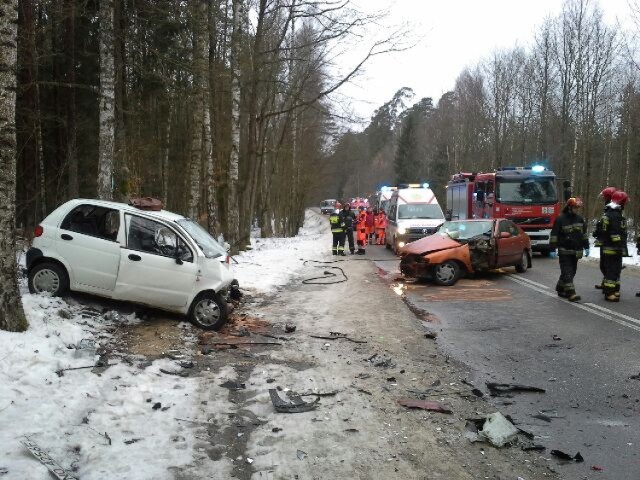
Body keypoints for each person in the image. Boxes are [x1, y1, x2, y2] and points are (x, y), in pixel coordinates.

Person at [549, 197, 589, 302]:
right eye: (575, 208)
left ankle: (560, 287)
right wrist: (552, 249)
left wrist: (587, 246)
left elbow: (584, 235)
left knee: (572, 272)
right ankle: (571, 293)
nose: (577, 210)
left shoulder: (580, 219)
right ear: (570, 207)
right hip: (564, 251)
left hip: (576, 251)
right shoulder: (560, 219)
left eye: (578, 208)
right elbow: (554, 235)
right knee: (567, 271)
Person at [598, 190, 629, 302]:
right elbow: (615, 233)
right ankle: (609, 293)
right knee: (612, 270)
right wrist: (619, 246)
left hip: (608, 247)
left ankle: (614, 290)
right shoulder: (615, 215)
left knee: (613, 269)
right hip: (613, 248)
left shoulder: (610, 212)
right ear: (621, 202)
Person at [594, 186, 617, 290]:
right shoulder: (608, 208)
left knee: (608, 265)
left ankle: (611, 286)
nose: (603, 199)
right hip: (605, 241)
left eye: (604, 197)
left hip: (609, 243)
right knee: (604, 265)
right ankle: (606, 282)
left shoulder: (614, 209)